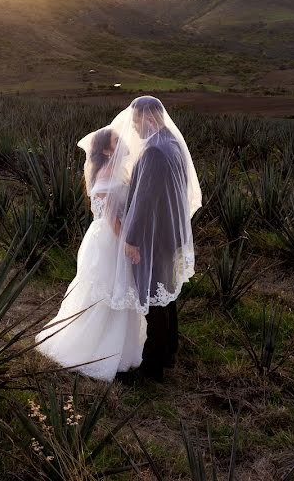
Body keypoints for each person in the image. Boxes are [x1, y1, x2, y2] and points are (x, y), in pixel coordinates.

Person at [35, 128, 146, 382]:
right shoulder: (107, 173)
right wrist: (127, 243)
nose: (122, 142)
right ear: (106, 150)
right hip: (110, 239)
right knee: (108, 290)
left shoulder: (116, 171)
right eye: (116, 141)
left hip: (109, 236)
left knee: (117, 290)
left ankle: (120, 349)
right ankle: (94, 349)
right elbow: (110, 216)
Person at [120, 96, 201, 380]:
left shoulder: (154, 150)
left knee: (154, 297)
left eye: (136, 121)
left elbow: (144, 200)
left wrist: (130, 238)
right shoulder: (173, 144)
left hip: (154, 235)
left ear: (149, 118)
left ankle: (151, 367)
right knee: (166, 293)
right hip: (171, 233)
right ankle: (169, 352)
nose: (135, 127)